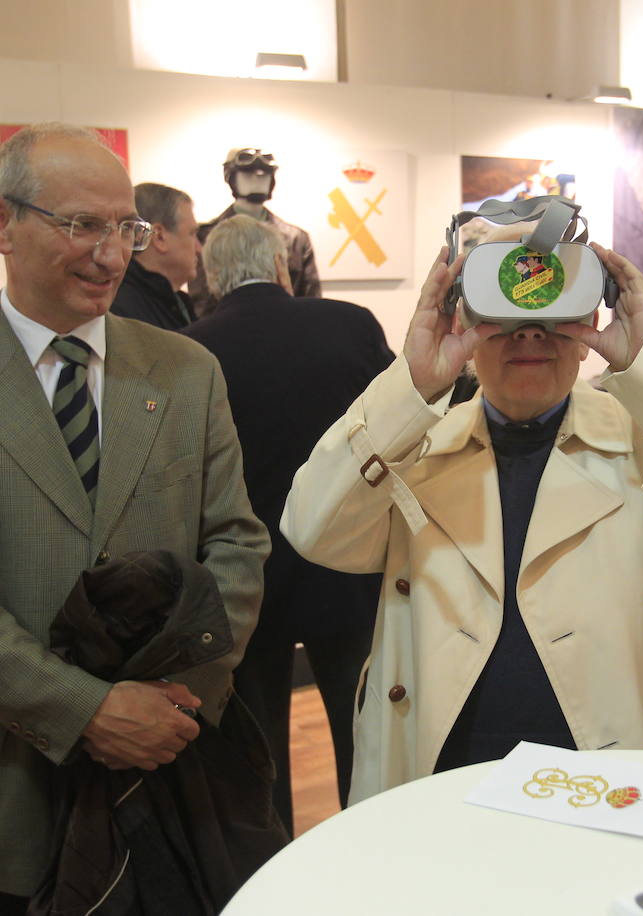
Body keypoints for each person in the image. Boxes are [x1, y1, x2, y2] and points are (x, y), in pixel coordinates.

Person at [0, 123, 271, 914]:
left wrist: (172, 701)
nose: (112, 254)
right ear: (0, 222)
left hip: (179, 764)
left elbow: (236, 543)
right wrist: (86, 711)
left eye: (127, 227)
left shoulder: (187, 370)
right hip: (16, 777)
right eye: (83, 225)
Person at [281, 240, 643, 804]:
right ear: (463, 325)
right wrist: (411, 386)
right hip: (448, 775)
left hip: (616, 783)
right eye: (500, 320)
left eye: (554, 318)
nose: (529, 335)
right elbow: (312, 529)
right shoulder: (413, 451)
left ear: (588, 331)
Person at [182, 215, 393, 834]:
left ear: (212, 277)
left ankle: (272, 868)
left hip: (246, 577)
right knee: (363, 731)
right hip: (345, 564)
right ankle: (372, 851)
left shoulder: (193, 348)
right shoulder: (350, 324)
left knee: (261, 746)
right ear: (282, 265)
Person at [187, 147, 320, 315]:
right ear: (230, 177)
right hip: (221, 331)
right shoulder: (204, 236)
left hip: (284, 328)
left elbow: (311, 300)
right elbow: (201, 302)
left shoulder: (297, 239)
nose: (258, 178)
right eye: (248, 173)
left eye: (264, 174)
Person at [108, 181, 200, 330]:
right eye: (192, 234)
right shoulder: (124, 311)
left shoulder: (176, 303)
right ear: (159, 237)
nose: (199, 248)